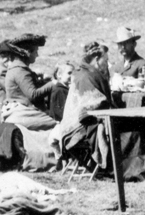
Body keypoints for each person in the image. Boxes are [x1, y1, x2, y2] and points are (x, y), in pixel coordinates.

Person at [49, 43, 117, 172]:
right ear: (97, 60)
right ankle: (126, 170)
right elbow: (96, 103)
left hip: (69, 128)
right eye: (106, 60)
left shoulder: (82, 72)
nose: (107, 65)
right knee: (130, 131)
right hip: (80, 130)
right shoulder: (89, 75)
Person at [0, 34, 59, 171]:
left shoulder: (16, 69)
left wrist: (41, 80)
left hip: (16, 111)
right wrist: (52, 84)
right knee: (58, 124)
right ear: (27, 52)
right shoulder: (20, 71)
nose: (37, 55)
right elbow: (33, 94)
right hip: (24, 113)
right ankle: (56, 158)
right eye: (35, 51)